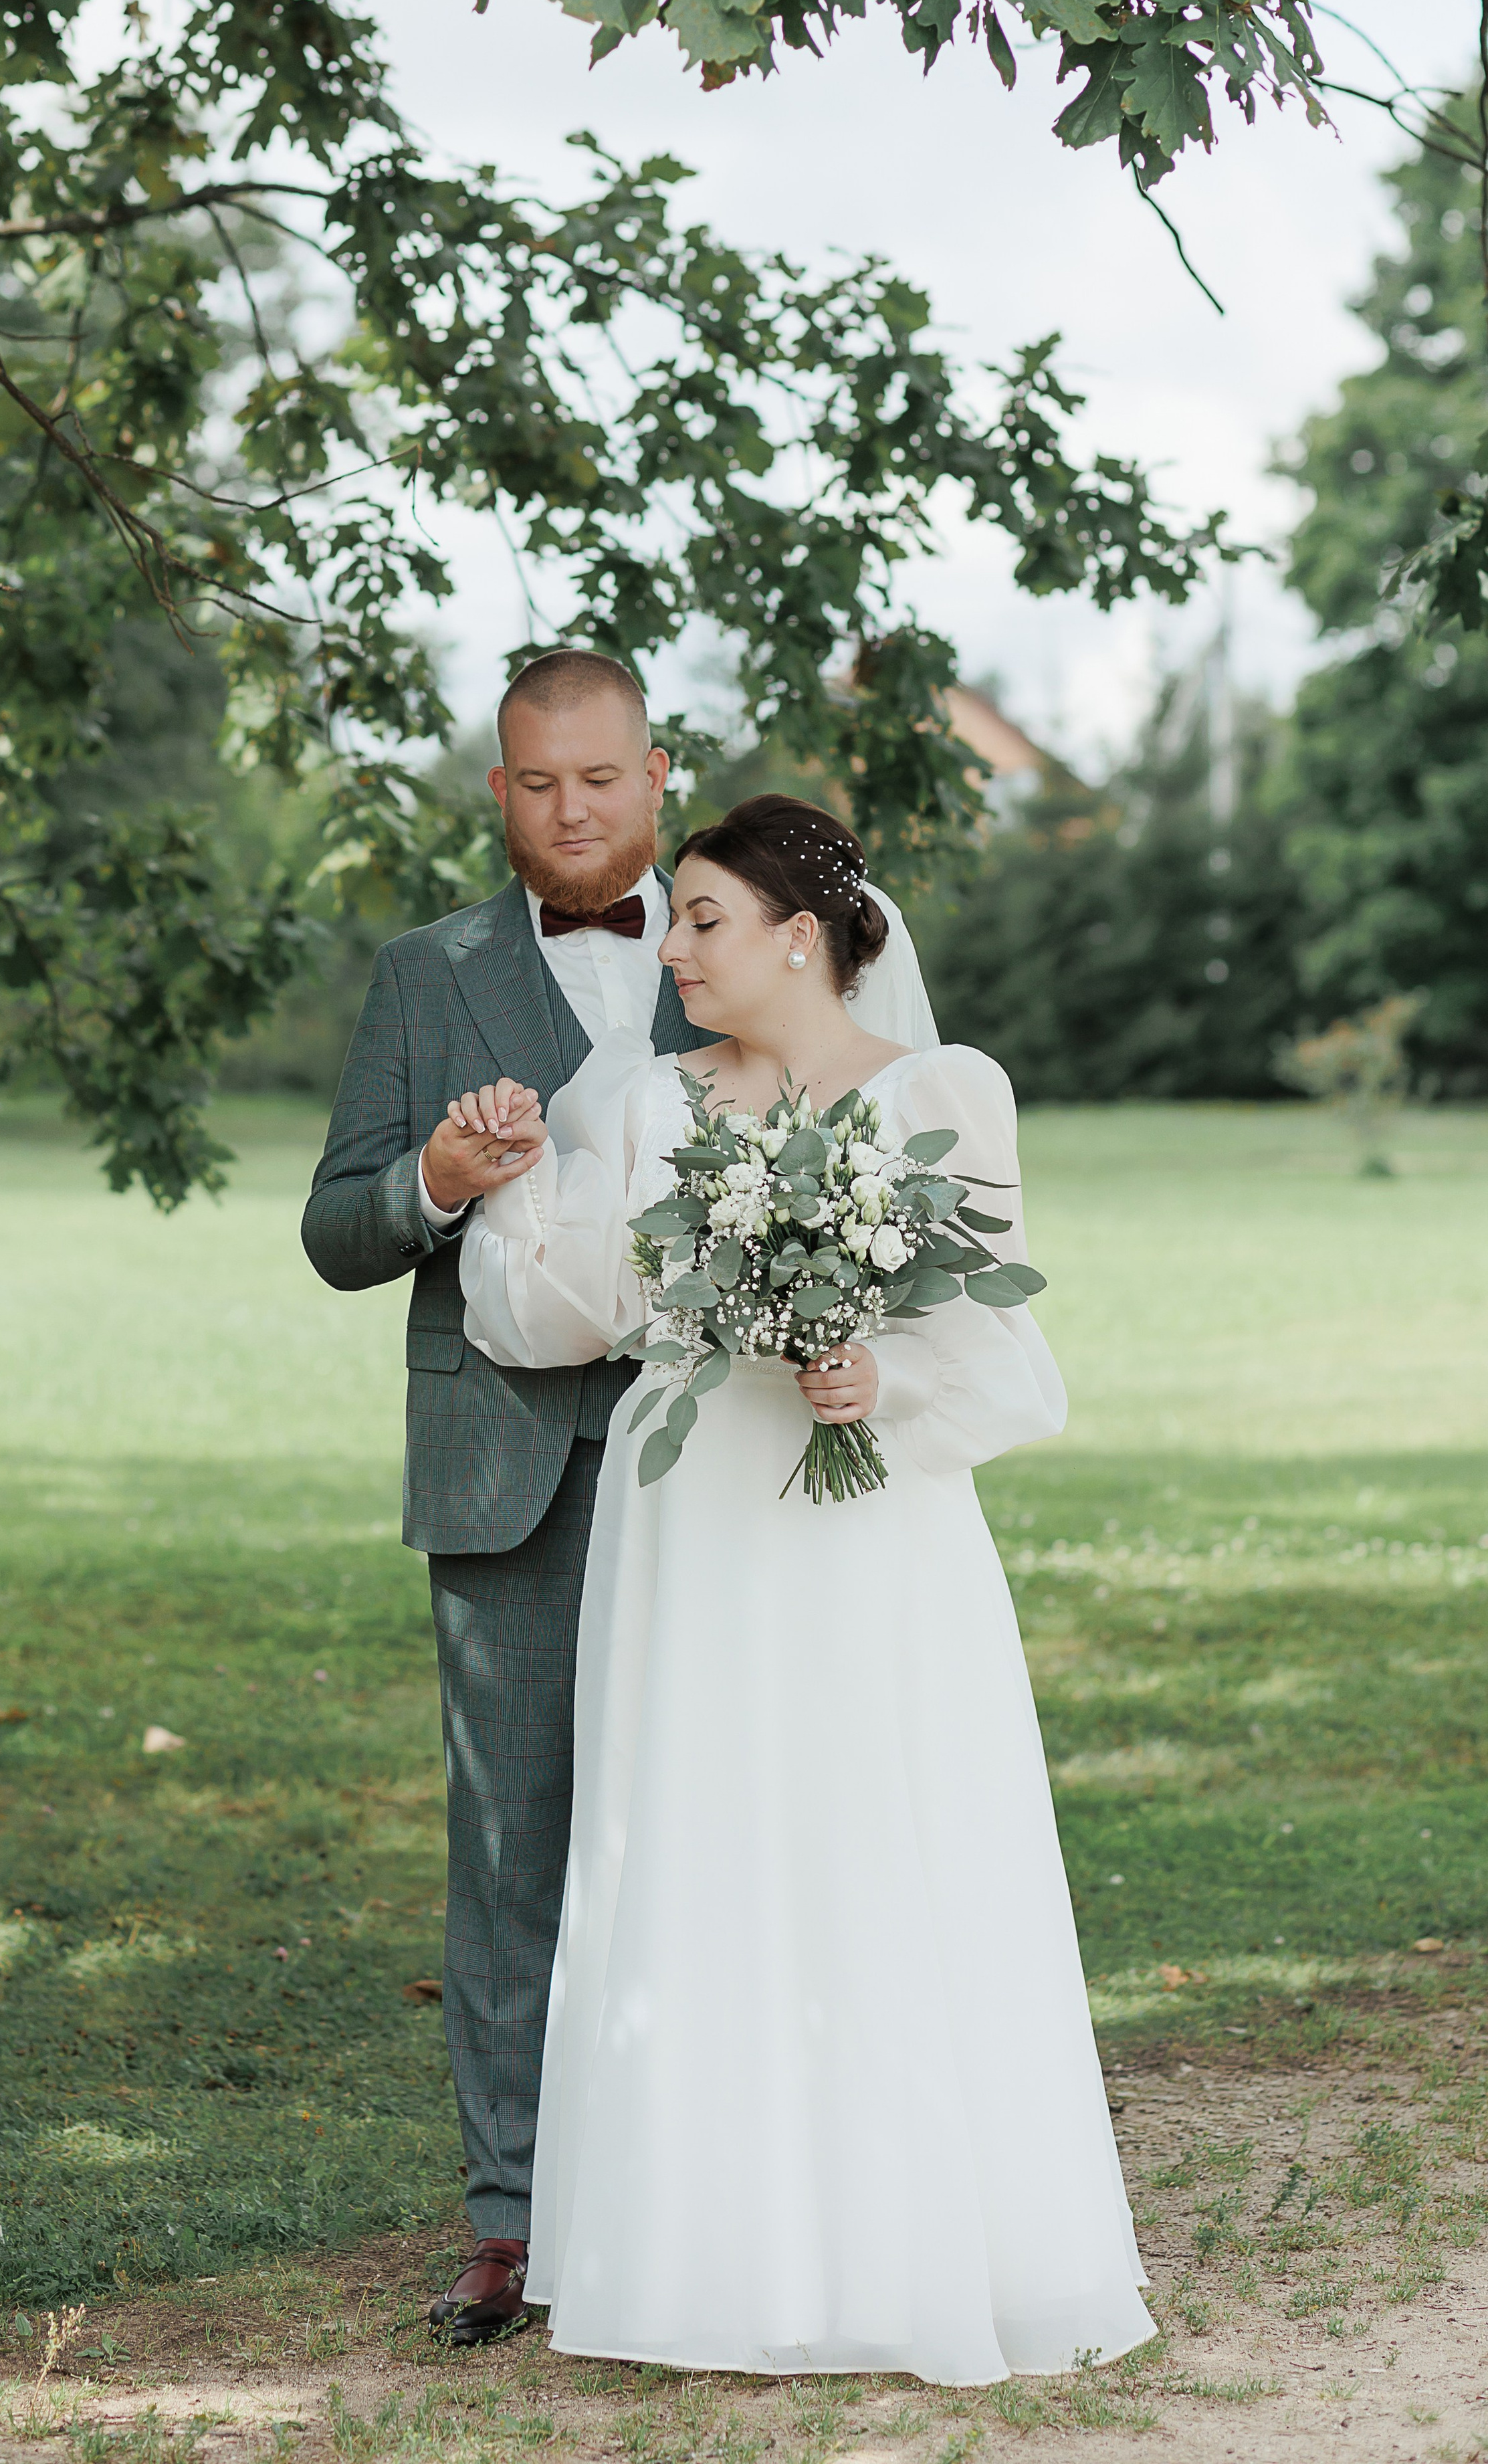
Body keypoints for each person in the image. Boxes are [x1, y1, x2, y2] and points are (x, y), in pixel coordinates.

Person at [452, 791, 1156, 2381]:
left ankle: (913, 2240)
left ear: (797, 935)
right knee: (700, 1843)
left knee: (879, 1837)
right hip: (692, 1519)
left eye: (701, 919)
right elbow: (566, 1310)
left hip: (870, 1530)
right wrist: (505, 1182)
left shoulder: (943, 1094)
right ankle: (708, 2253)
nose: (675, 948)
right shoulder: (642, 1104)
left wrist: (876, 1384)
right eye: (675, 921)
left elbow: (1002, 1348)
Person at [302, 649, 712, 2347]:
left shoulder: (750, 947)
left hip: (719, 1462)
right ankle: (512, 2220)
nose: (570, 814)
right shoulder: (427, 973)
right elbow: (334, 1230)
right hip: (503, 1468)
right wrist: (432, 1182)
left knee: (713, 1831)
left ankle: (706, 2184)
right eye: (536, 785)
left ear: (657, 772)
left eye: (600, 781)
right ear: (496, 790)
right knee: (510, 1848)